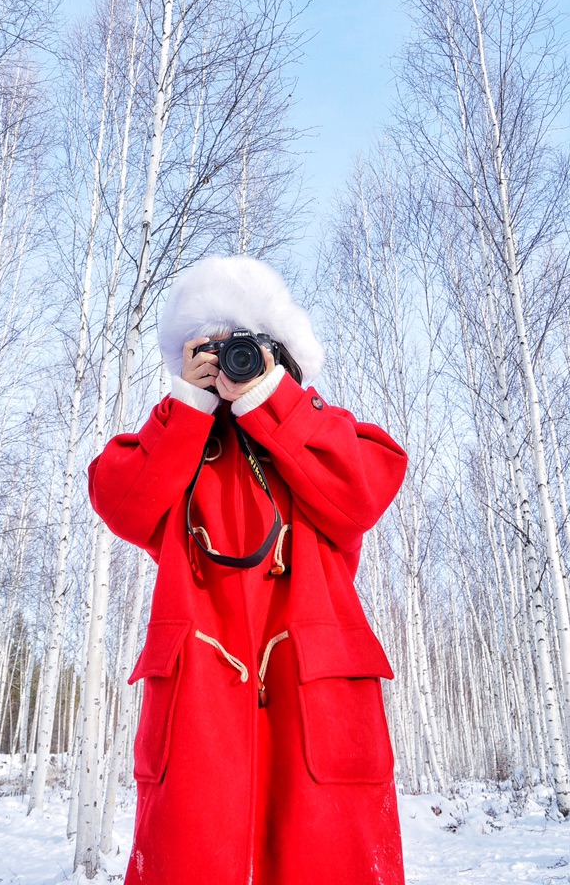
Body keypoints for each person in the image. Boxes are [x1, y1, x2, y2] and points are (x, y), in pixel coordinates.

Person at [88, 255, 408, 885]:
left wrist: (272, 402)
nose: (231, 363)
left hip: (314, 713)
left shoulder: (315, 440)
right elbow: (118, 499)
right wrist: (186, 404)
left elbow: (366, 488)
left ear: (279, 355)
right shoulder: (183, 458)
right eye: (216, 351)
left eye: (246, 349)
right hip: (199, 718)